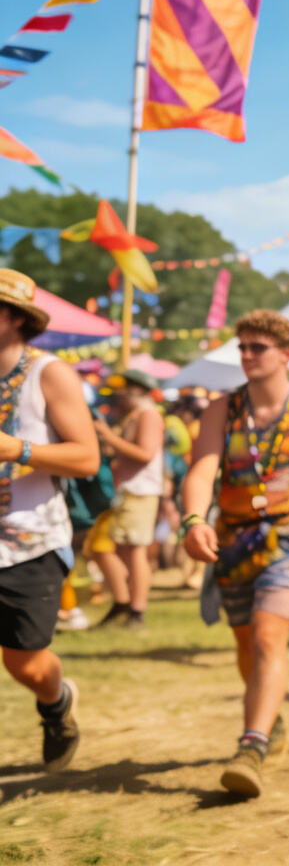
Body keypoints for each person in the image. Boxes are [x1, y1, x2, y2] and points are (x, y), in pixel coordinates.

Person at [181, 310, 289, 798]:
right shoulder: (222, 408)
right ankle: (269, 719)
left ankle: (251, 745)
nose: (246, 356)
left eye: (257, 347)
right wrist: (193, 519)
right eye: (242, 348)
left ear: (286, 354)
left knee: (265, 635)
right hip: (234, 536)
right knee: (246, 644)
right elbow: (202, 469)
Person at [0, 270, 99, 770]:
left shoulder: (49, 373)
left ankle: (56, 700)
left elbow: (87, 458)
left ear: (15, 318)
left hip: (30, 542)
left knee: (24, 663)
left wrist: (17, 448)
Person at [93, 369, 164, 629]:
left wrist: (109, 437)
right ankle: (124, 603)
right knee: (114, 549)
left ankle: (136, 610)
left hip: (140, 492)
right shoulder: (134, 416)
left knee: (134, 552)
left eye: (124, 390)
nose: (119, 396)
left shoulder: (148, 415)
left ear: (138, 390)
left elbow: (145, 453)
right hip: (126, 492)